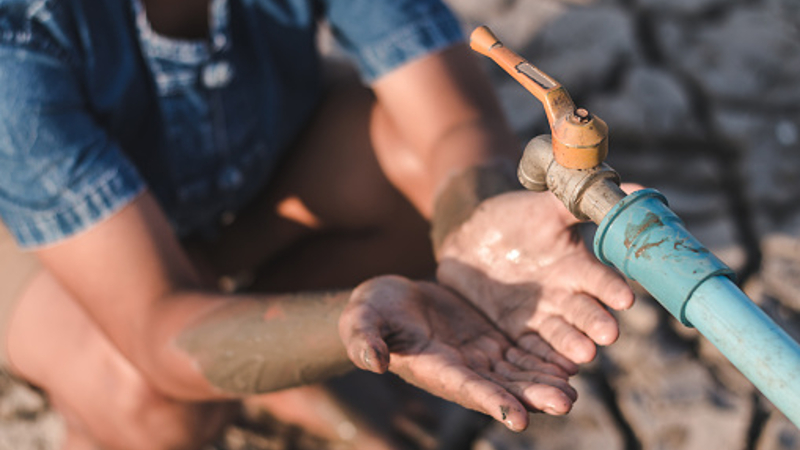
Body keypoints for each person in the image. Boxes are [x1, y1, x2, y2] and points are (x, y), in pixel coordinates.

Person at [0, 0, 635, 448]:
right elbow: (156, 326)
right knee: (147, 402)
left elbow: (451, 124)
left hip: (243, 178)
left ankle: (263, 358)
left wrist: (478, 227)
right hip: (55, 239)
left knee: (423, 168)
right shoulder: (19, 34)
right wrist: (348, 322)